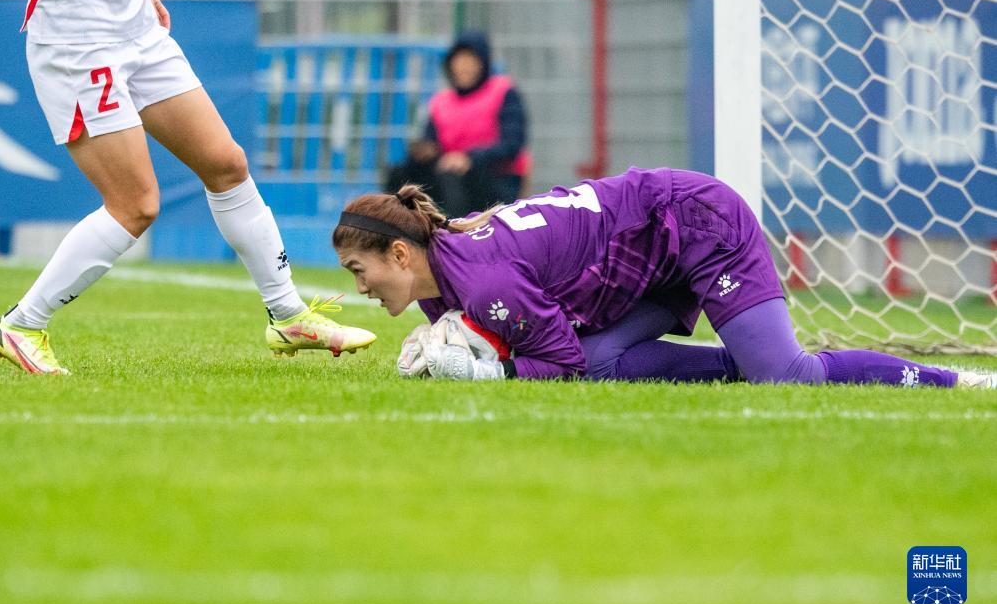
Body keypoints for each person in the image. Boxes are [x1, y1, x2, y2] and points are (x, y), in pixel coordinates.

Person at [0, 0, 375, 375]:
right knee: (134, 205)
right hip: (78, 43)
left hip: (139, 31)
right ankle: (22, 324)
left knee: (226, 165)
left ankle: (288, 315)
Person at [333, 167, 995, 388]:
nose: (359, 287)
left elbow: (559, 363)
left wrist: (489, 373)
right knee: (605, 362)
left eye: (359, 270)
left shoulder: (483, 281)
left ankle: (957, 381)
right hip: (645, 258)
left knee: (787, 377)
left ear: (401, 255)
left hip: (696, 223)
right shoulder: (446, 273)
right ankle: (743, 360)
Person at [384, 30, 531, 218]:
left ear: (483, 63)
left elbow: (512, 144)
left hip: (494, 178)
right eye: (459, 61)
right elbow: (432, 140)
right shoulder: (442, 101)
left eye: (471, 61)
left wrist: (468, 158)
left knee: (452, 177)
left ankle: (458, 230)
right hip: (449, 174)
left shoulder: (503, 92)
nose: (464, 67)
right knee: (401, 174)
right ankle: (395, 226)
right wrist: (425, 150)